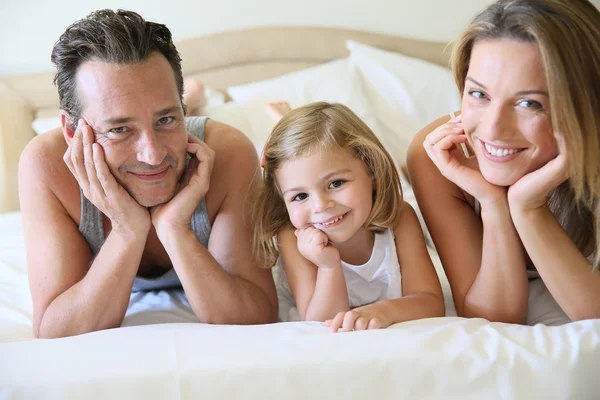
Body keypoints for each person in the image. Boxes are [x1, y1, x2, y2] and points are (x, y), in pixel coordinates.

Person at [18, 9, 277, 338]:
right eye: (120, 128)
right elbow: (56, 331)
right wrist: (128, 230)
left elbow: (258, 316)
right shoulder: (46, 165)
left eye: (167, 119)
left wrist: (174, 230)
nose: (152, 154)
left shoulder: (228, 153)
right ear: (72, 130)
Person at [407, 0, 600, 325]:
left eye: (529, 103)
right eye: (479, 94)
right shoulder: (440, 156)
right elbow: (493, 317)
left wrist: (529, 208)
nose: (493, 129)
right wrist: (495, 204)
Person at [254, 101, 444, 332]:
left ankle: (287, 118)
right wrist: (328, 267)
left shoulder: (400, 218)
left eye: (336, 183)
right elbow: (319, 323)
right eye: (300, 196)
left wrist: (385, 311)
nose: (321, 206)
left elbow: (430, 301)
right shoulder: (291, 236)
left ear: (372, 170)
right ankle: (283, 118)